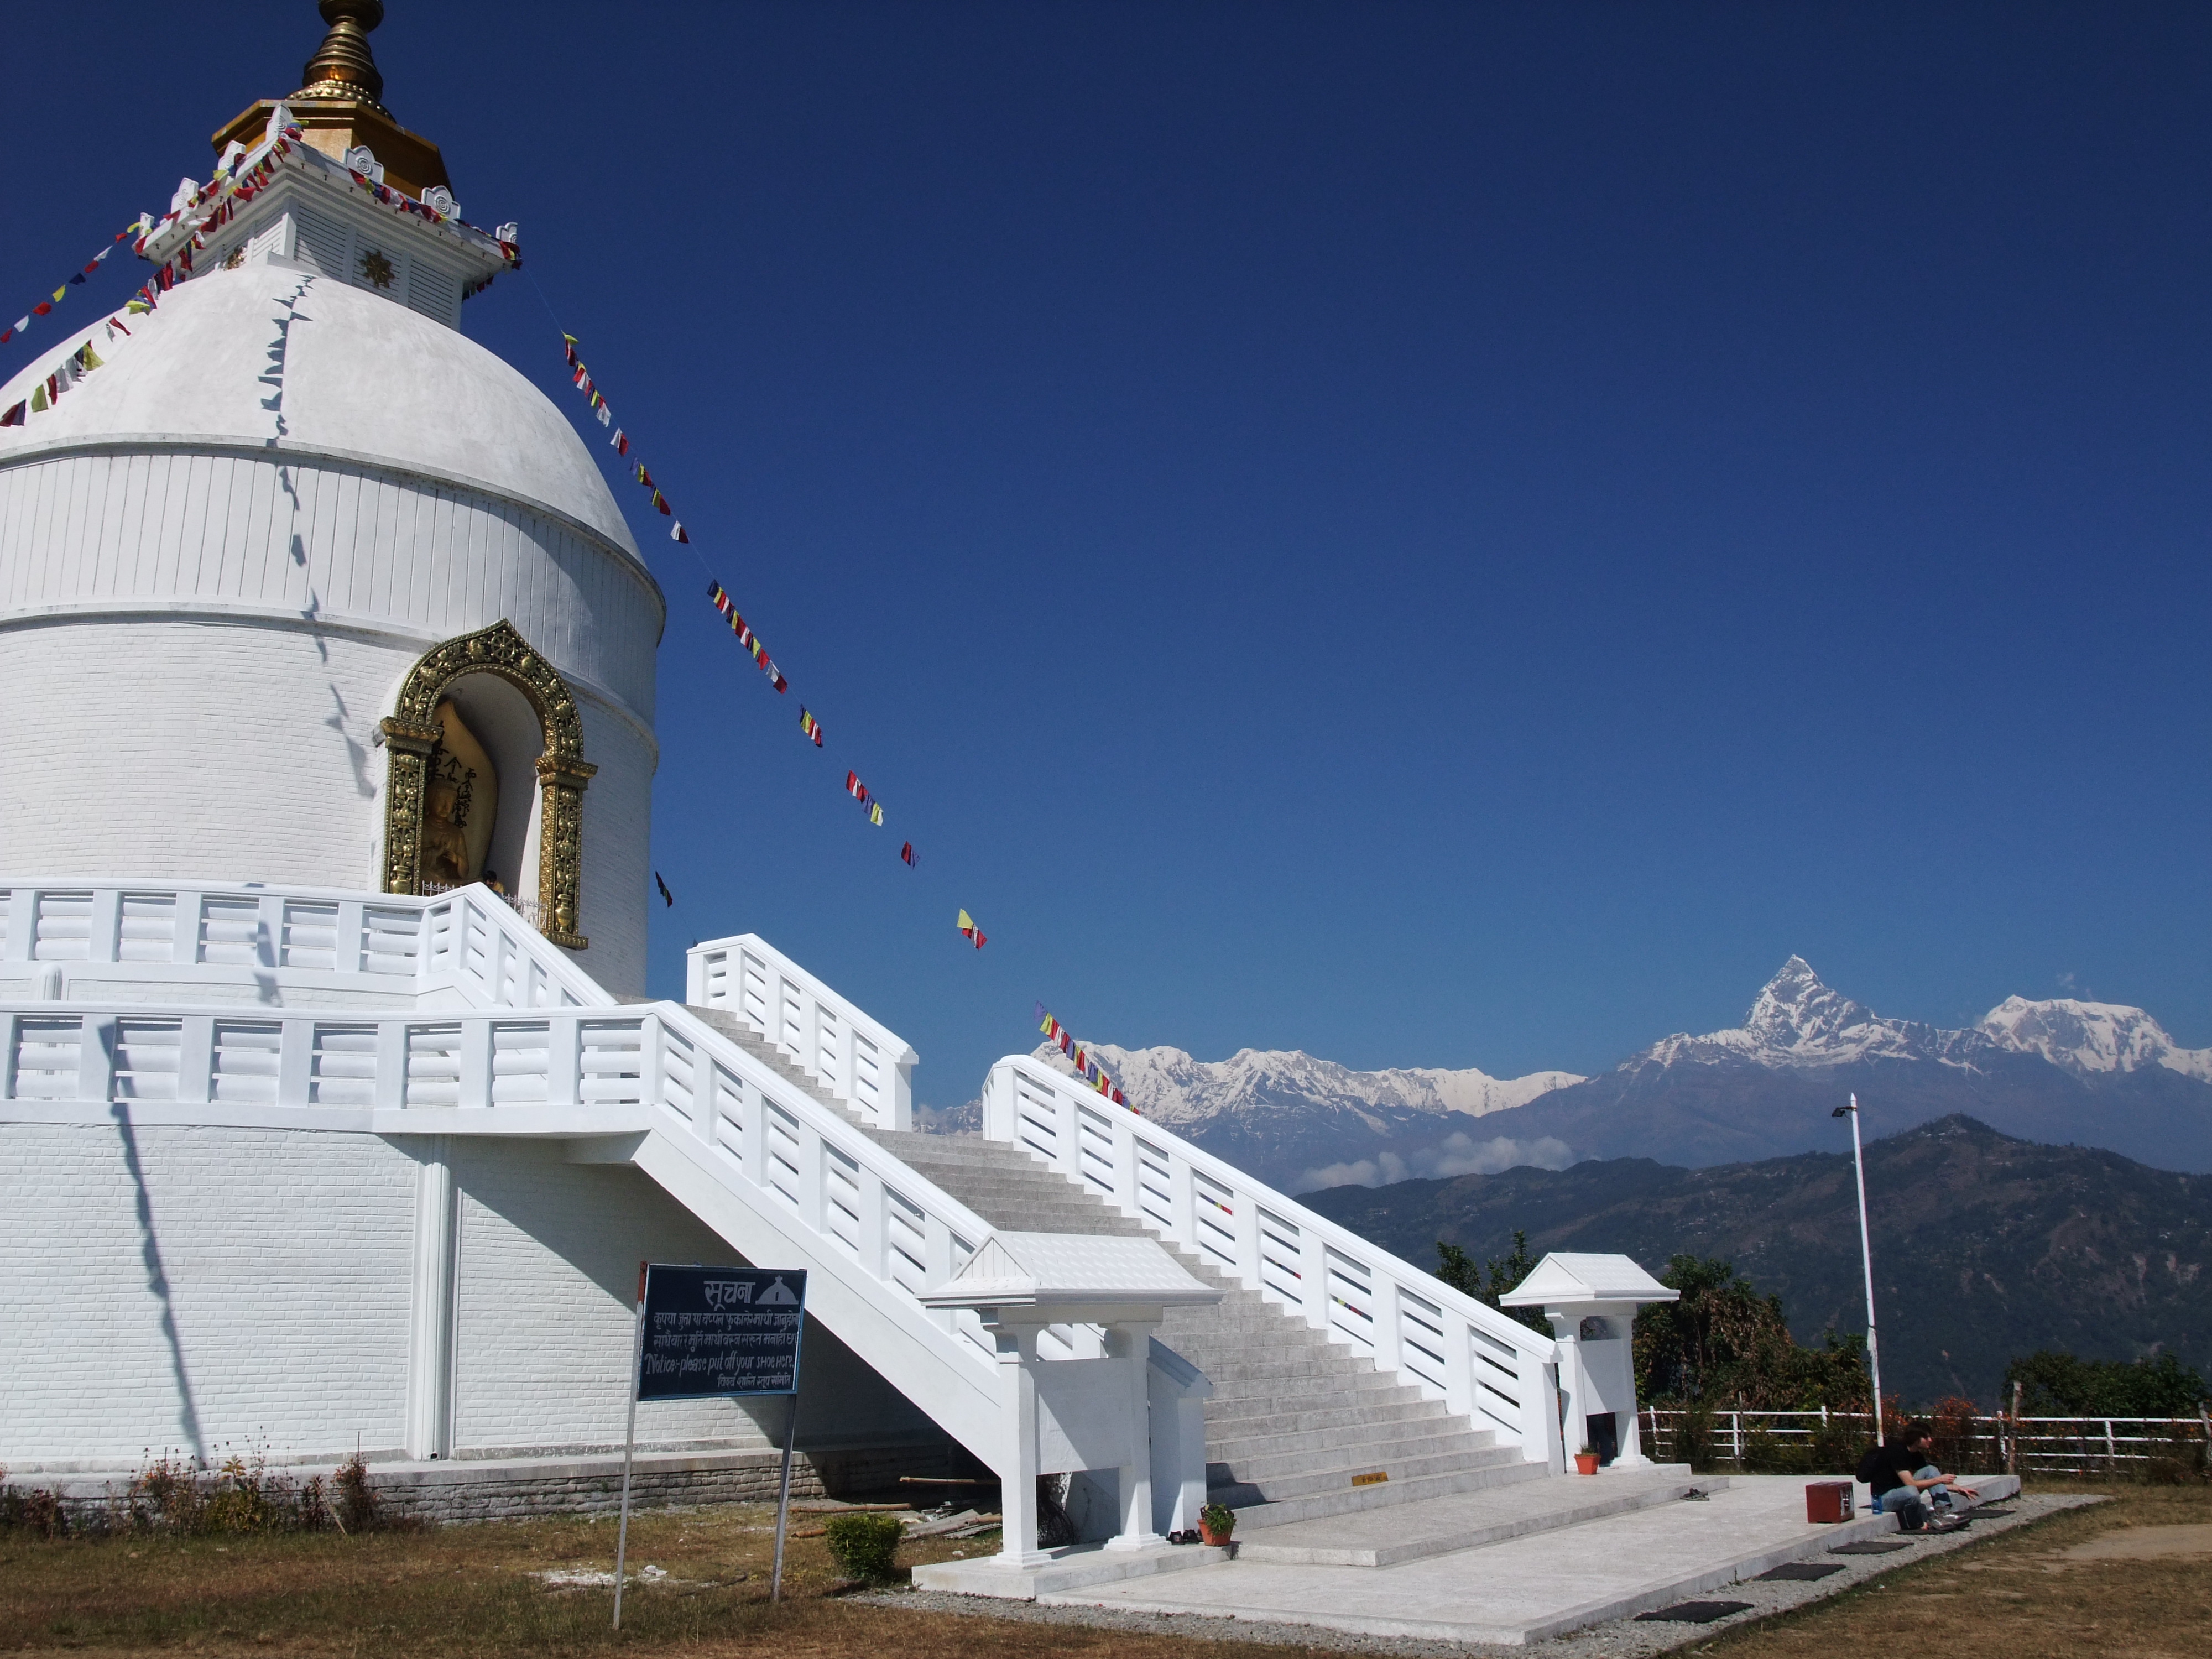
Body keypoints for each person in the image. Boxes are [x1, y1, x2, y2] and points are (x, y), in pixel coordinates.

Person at [1857, 1422, 1973, 1530]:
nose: (1930, 1440)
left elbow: (1931, 1482)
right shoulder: (1897, 1452)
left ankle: (1943, 1511)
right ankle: (1917, 1523)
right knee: (1911, 1491)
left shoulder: (1916, 1454)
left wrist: (1957, 1488)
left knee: (1930, 1470)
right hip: (1881, 1500)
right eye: (1926, 1438)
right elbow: (1911, 1484)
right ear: (1917, 1439)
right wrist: (1940, 1479)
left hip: (1900, 1492)